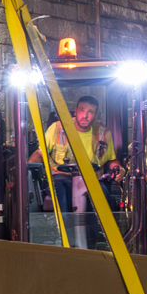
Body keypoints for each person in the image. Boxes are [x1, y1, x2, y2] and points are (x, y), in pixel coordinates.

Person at [38, 96, 120, 249]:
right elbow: (40, 153)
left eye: (91, 112)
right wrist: (30, 166)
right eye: (82, 110)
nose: (86, 115)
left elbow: (112, 160)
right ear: (75, 111)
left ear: (95, 115)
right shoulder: (57, 129)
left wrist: (118, 169)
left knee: (104, 194)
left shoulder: (103, 133)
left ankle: (99, 240)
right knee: (61, 193)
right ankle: (63, 237)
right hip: (61, 176)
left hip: (92, 179)